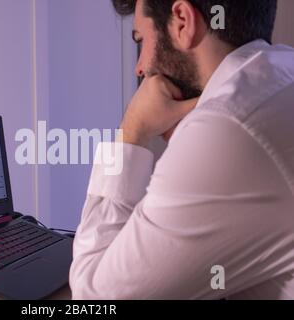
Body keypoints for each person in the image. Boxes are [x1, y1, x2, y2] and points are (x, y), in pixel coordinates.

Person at [69, 0, 294, 299]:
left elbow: (94, 297)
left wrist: (132, 131)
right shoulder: (282, 68)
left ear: (182, 21)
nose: (140, 67)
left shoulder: (226, 129)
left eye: (141, 41)